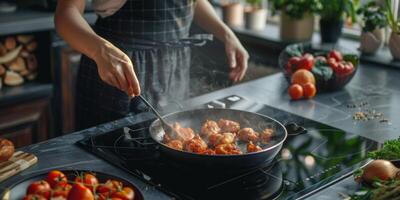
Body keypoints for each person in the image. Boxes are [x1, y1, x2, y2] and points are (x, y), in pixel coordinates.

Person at [55, 0, 249, 130]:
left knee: (171, 144)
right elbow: (66, 14)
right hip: (118, 67)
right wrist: (100, 50)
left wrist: (226, 33)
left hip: (175, 64)